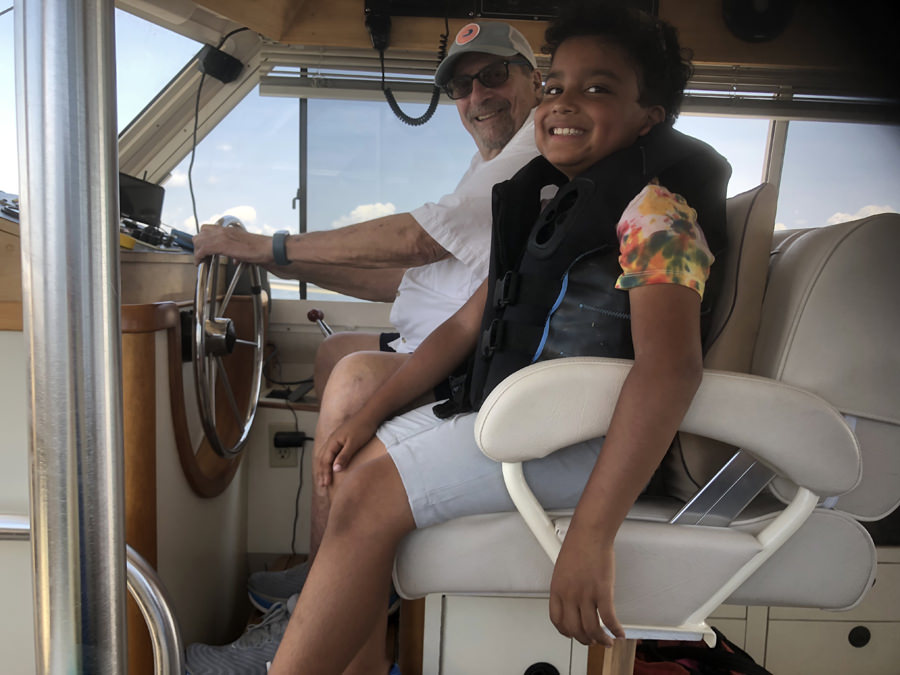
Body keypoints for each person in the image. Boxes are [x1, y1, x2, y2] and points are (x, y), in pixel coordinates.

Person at [267, 4, 729, 674]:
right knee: (352, 473)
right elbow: (466, 324)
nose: (565, 102)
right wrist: (366, 414)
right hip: (520, 420)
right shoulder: (547, 205)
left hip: (581, 438)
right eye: (555, 86)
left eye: (597, 88)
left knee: (366, 495)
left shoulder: (659, 216)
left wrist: (592, 533)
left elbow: (670, 372)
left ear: (647, 117)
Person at [185, 21, 543, 675]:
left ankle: (314, 626)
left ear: (534, 78)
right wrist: (286, 262)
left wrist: (268, 247)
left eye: (494, 75)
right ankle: (325, 578)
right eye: (463, 86)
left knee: (351, 378)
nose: (478, 96)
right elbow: (405, 275)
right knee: (335, 354)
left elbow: (414, 244)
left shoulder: (533, 151)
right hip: (436, 334)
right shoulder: (489, 162)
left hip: (482, 360)